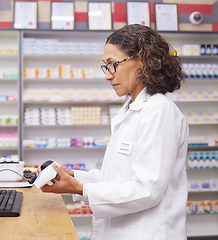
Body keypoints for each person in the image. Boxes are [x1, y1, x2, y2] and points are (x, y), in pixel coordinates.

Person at [36, 24, 189, 239]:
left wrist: (80, 189)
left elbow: (147, 189)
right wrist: (72, 176)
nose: (108, 75)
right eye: (106, 67)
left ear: (143, 60)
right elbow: (115, 178)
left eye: (113, 64)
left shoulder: (159, 111)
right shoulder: (129, 111)